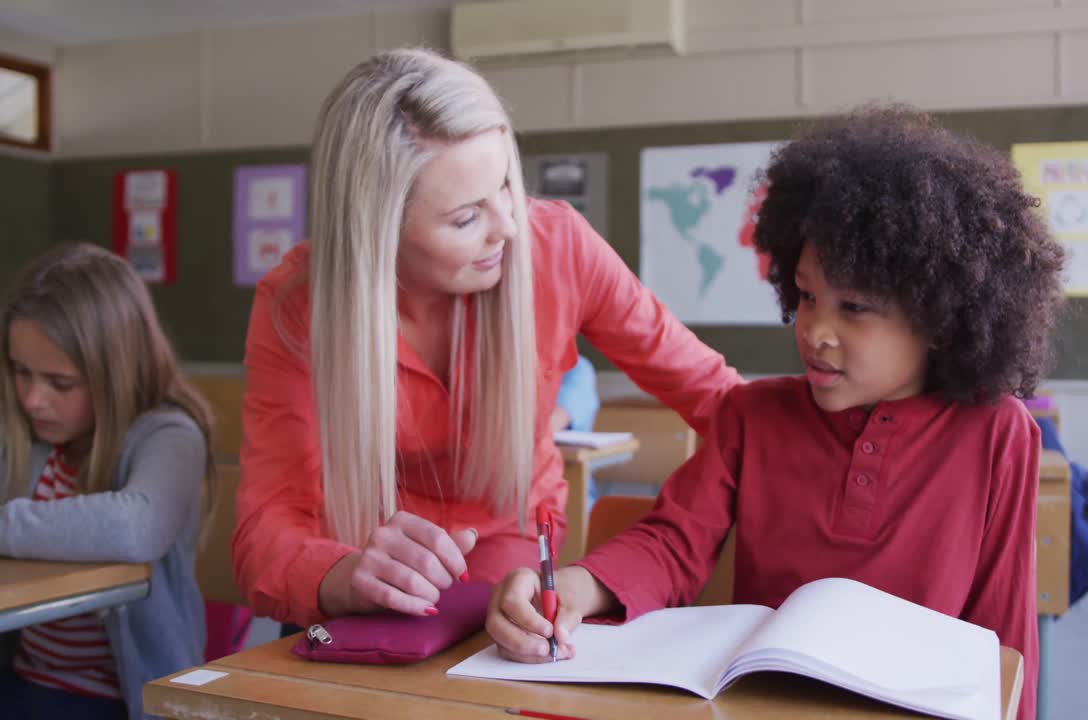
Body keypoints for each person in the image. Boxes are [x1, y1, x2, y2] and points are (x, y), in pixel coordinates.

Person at [485, 105, 1065, 720]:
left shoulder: (997, 433)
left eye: (855, 308)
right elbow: (673, 543)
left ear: (938, 318)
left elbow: (1003, 638)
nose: (815, 330)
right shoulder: (751, 416)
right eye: (809, 296)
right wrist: (576, 587)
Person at [233, 47, 742, 629]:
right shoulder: (297, 303)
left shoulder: (560, 246)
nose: (508, 226)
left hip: (514, 567)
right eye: (465, 217)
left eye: (505, 185)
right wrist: (342, 575)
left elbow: (719, 398)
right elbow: (266, 529)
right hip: (367, 587)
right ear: (378, 231)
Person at [0, 243, 214, 720]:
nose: (33, 399)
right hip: (26, 679)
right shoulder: (25, 435)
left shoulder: (169, 434)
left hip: (125, 698)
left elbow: (135, 528)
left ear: (116, 373)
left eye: (60, 382)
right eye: (20, 372)